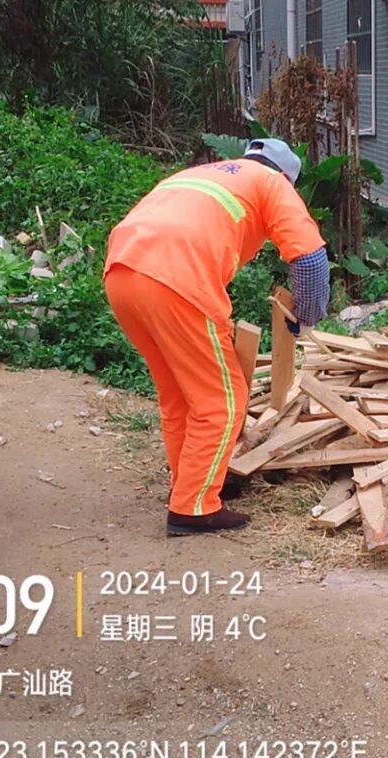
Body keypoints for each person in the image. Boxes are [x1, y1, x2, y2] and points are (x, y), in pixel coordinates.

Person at [104, 139, 329, 537]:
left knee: (180, 395)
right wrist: (307, 316)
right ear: (286, 177)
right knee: (222, 401)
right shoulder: (271, 183)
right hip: (176, 280)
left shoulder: (204, 175)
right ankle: (194, 508)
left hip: (122, 274)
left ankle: (192, 484)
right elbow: (309, 259)